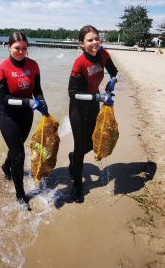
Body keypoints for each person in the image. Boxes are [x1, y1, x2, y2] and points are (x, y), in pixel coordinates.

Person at [0, 32, 48, 206]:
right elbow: (3, 99)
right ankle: (20, 195)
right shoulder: (1, 69)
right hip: (7, 115)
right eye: (17, 48)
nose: (21, 51)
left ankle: (5, 167)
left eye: (25, 48)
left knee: (16, 148)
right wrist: (26, 101)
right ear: (9, 47)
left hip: (26, 115)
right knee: (18, 153)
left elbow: (37, 89)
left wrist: (41, 101)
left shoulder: (33, 65)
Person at [67, 25, 118, 203]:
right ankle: (77, 187)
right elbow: (72, 93)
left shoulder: (103, 55)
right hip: (78, 110)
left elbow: (114, 71)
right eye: (90, 40)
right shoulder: (80, 63)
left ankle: (73, 158)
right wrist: (99, 96)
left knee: (91, 144)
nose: (94, 42)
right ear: (82, 44)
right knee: (81, 148)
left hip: (94, 107)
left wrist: (112, 82)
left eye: (96, 38)